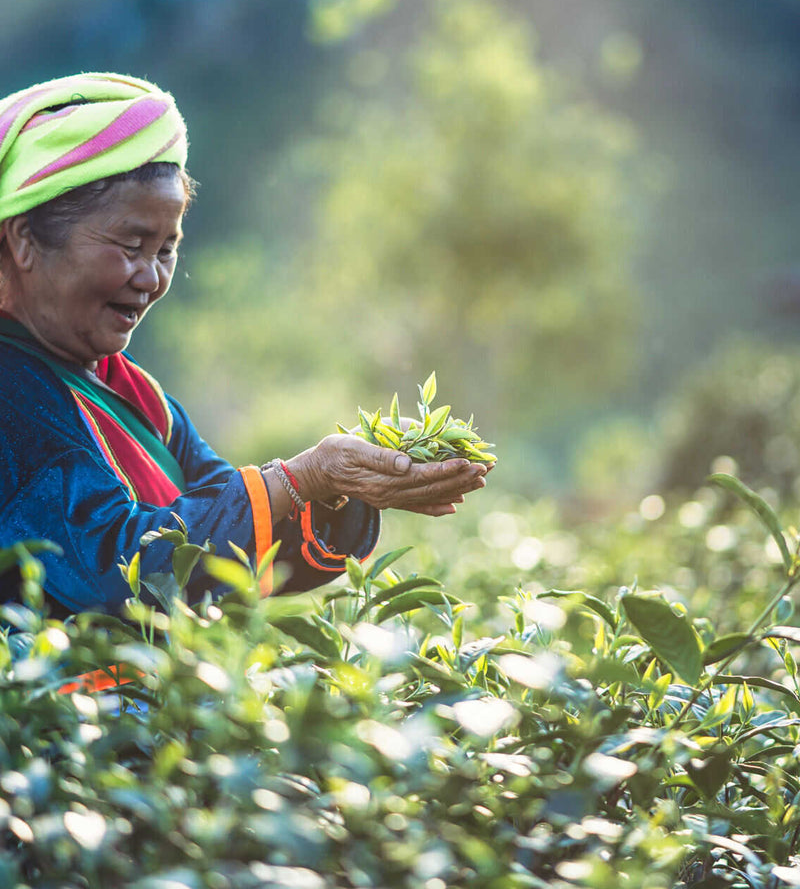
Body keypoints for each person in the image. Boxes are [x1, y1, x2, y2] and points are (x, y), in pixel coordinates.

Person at [0, 72, 488, 618]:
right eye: (132, 245)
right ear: (24, 240)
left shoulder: (131, 389)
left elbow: (226, 528)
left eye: (166, 249)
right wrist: (302, 477)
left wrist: (339, 488)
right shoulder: (13, 389)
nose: (153, 278)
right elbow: (116, 570)